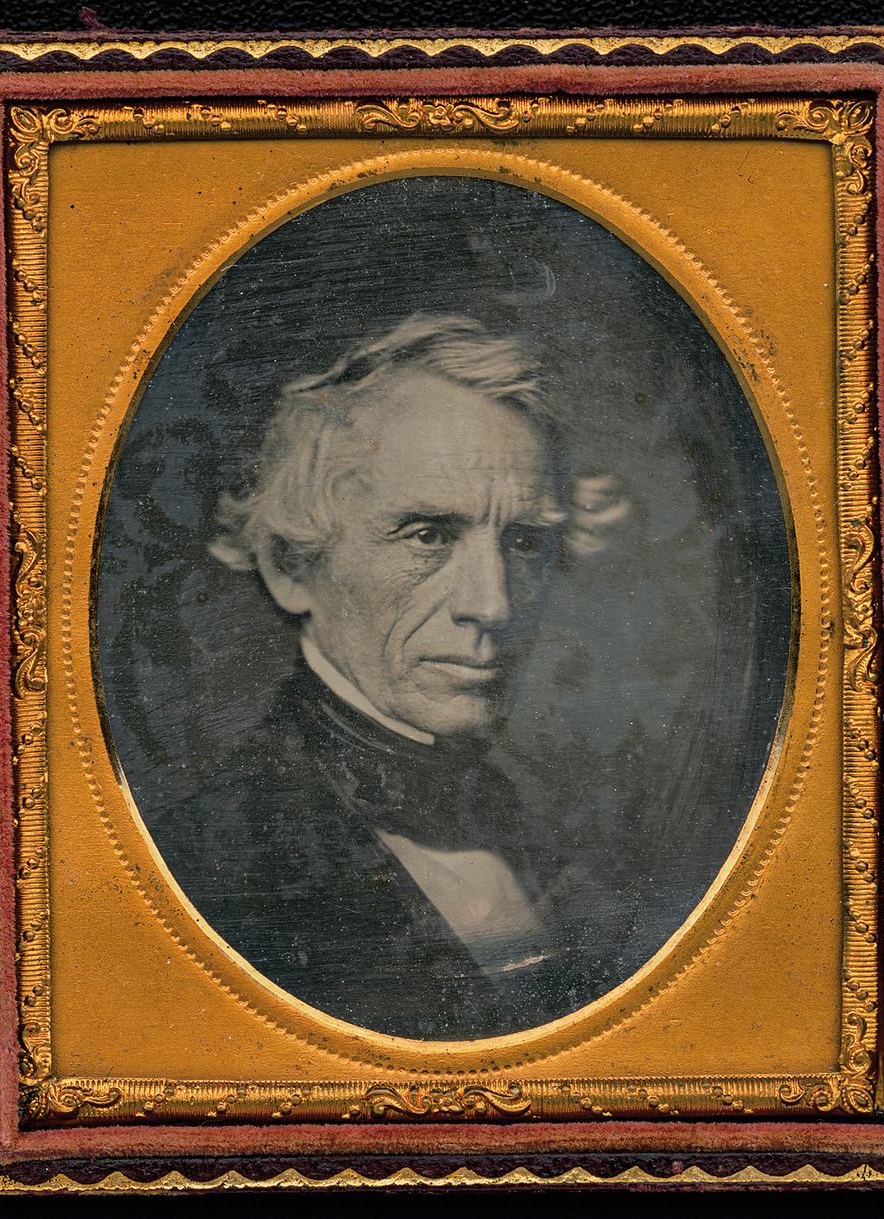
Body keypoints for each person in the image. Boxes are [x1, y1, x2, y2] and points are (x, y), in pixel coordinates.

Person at [157, 314, 631, 1039]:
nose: (492, 603)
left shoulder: (540, 832)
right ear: (293, 566)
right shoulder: (206, 866)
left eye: (523, 540)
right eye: (428, 535)